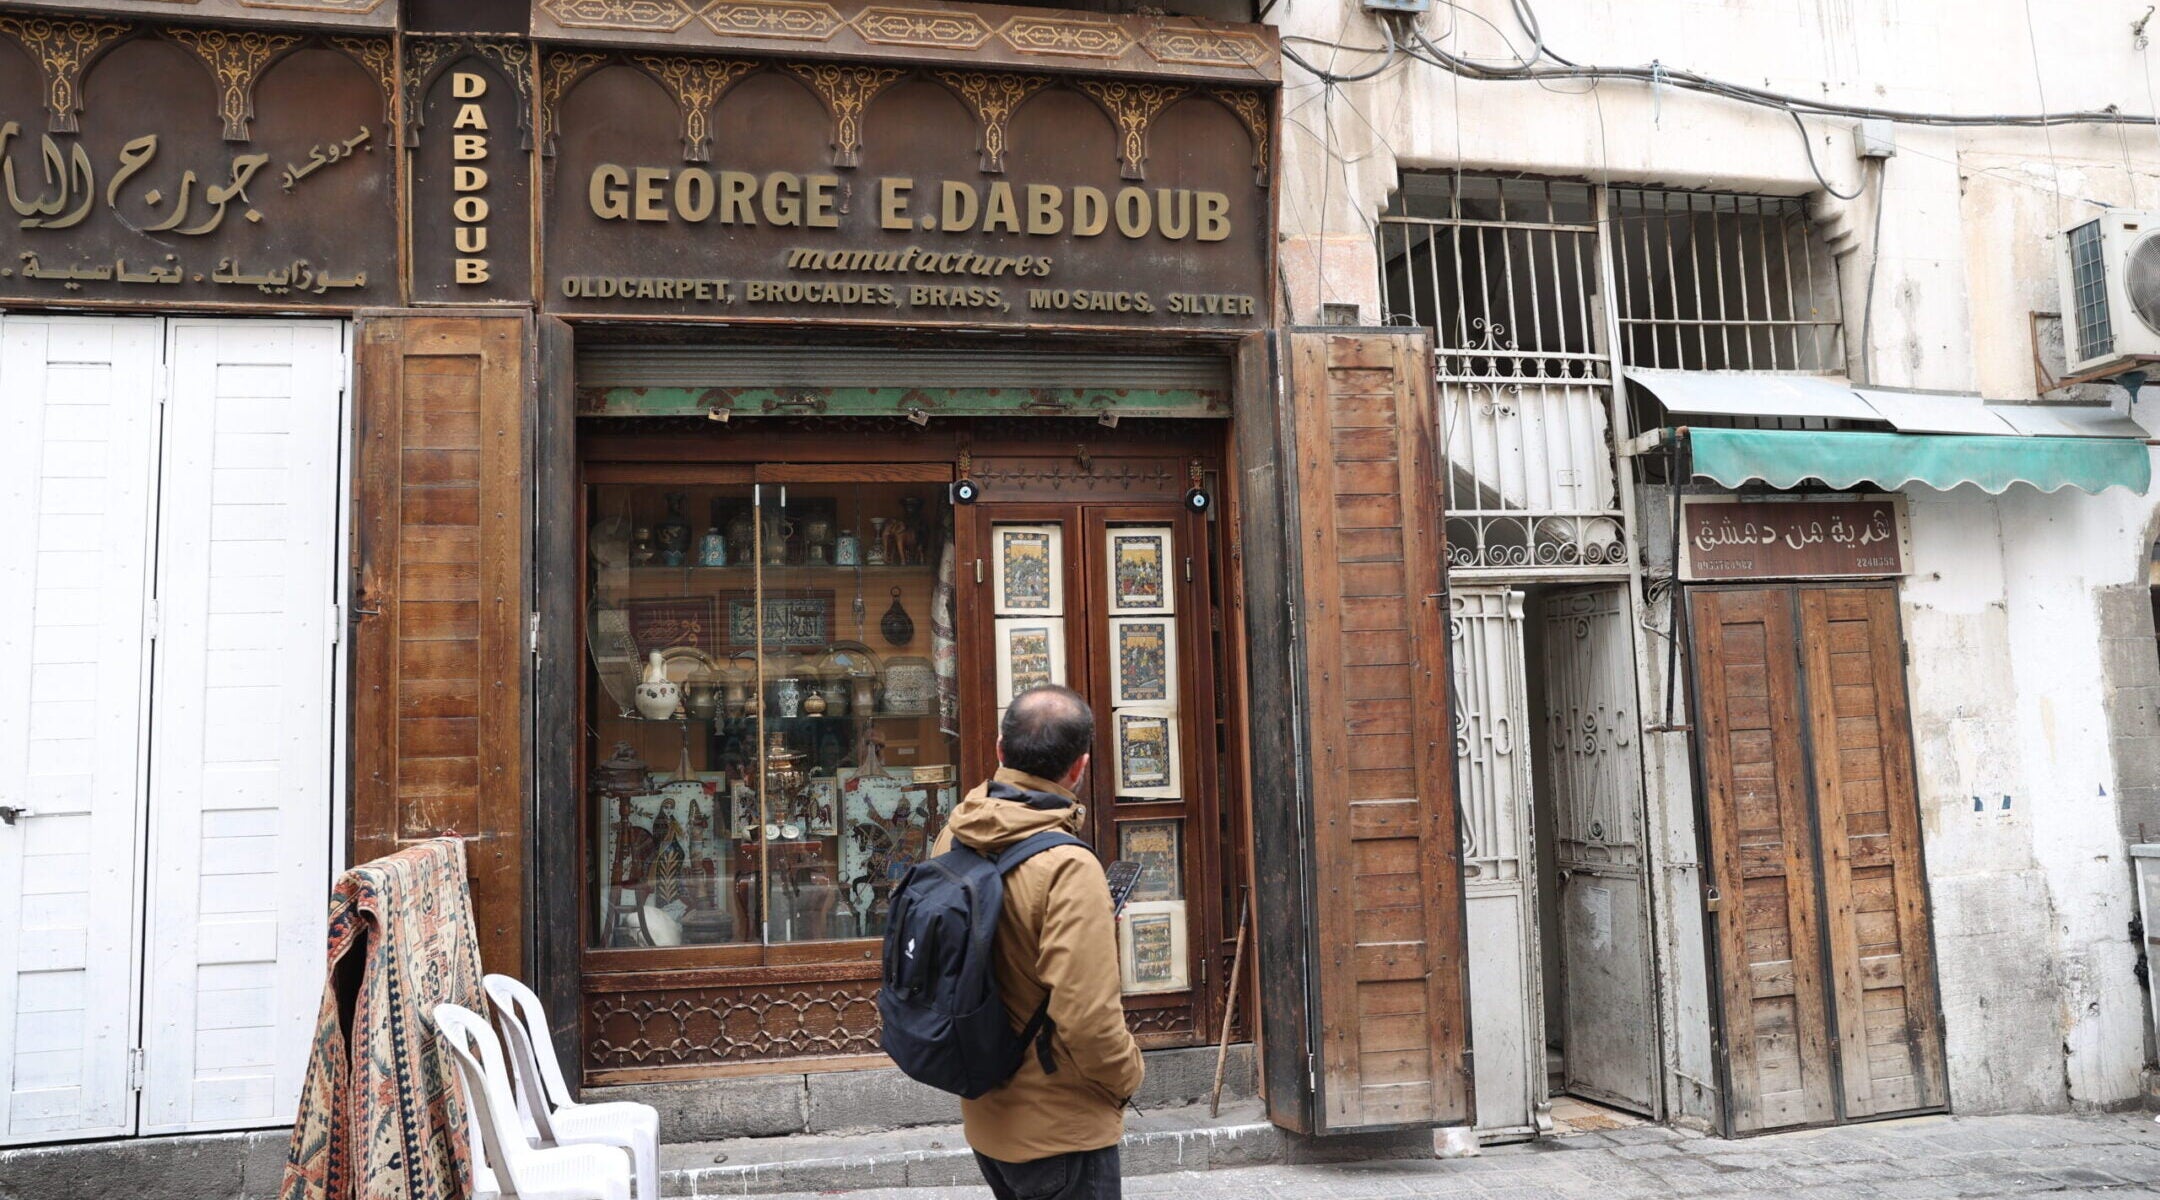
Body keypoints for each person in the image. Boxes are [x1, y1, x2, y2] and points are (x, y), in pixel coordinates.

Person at [930, 684, 1144, 1200]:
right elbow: (1088, 1020)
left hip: (987, 1114)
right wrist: (1129, 1075)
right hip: (1061, 1129)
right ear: (1080, 767)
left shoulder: (955, 835)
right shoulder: (1067, 866)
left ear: (1000, 749)